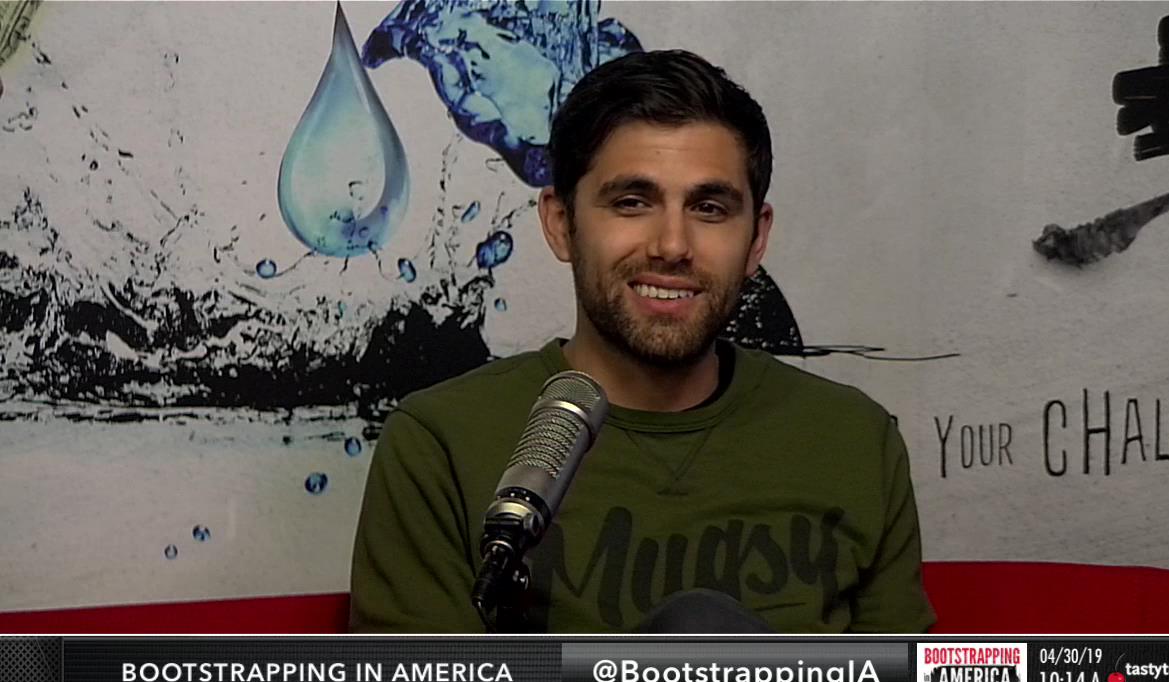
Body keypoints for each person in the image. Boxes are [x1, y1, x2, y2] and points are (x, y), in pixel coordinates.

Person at [349, 49, 934, 633]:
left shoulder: (856, 441)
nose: (672, 245)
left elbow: (911, 679)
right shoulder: (439, 444)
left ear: (756, 240)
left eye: (709, 208)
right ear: (560, 224)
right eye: (632, 203)